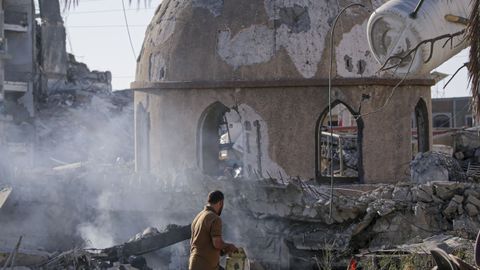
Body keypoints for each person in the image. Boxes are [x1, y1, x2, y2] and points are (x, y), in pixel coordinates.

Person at [189, 190, 238, 270]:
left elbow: (194, 243)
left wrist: (223, 251)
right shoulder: (214, 218)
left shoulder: (198, 217)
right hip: (206, 266)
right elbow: (217, 243)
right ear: (221, 203)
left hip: (194, 264)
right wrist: (229, 246)